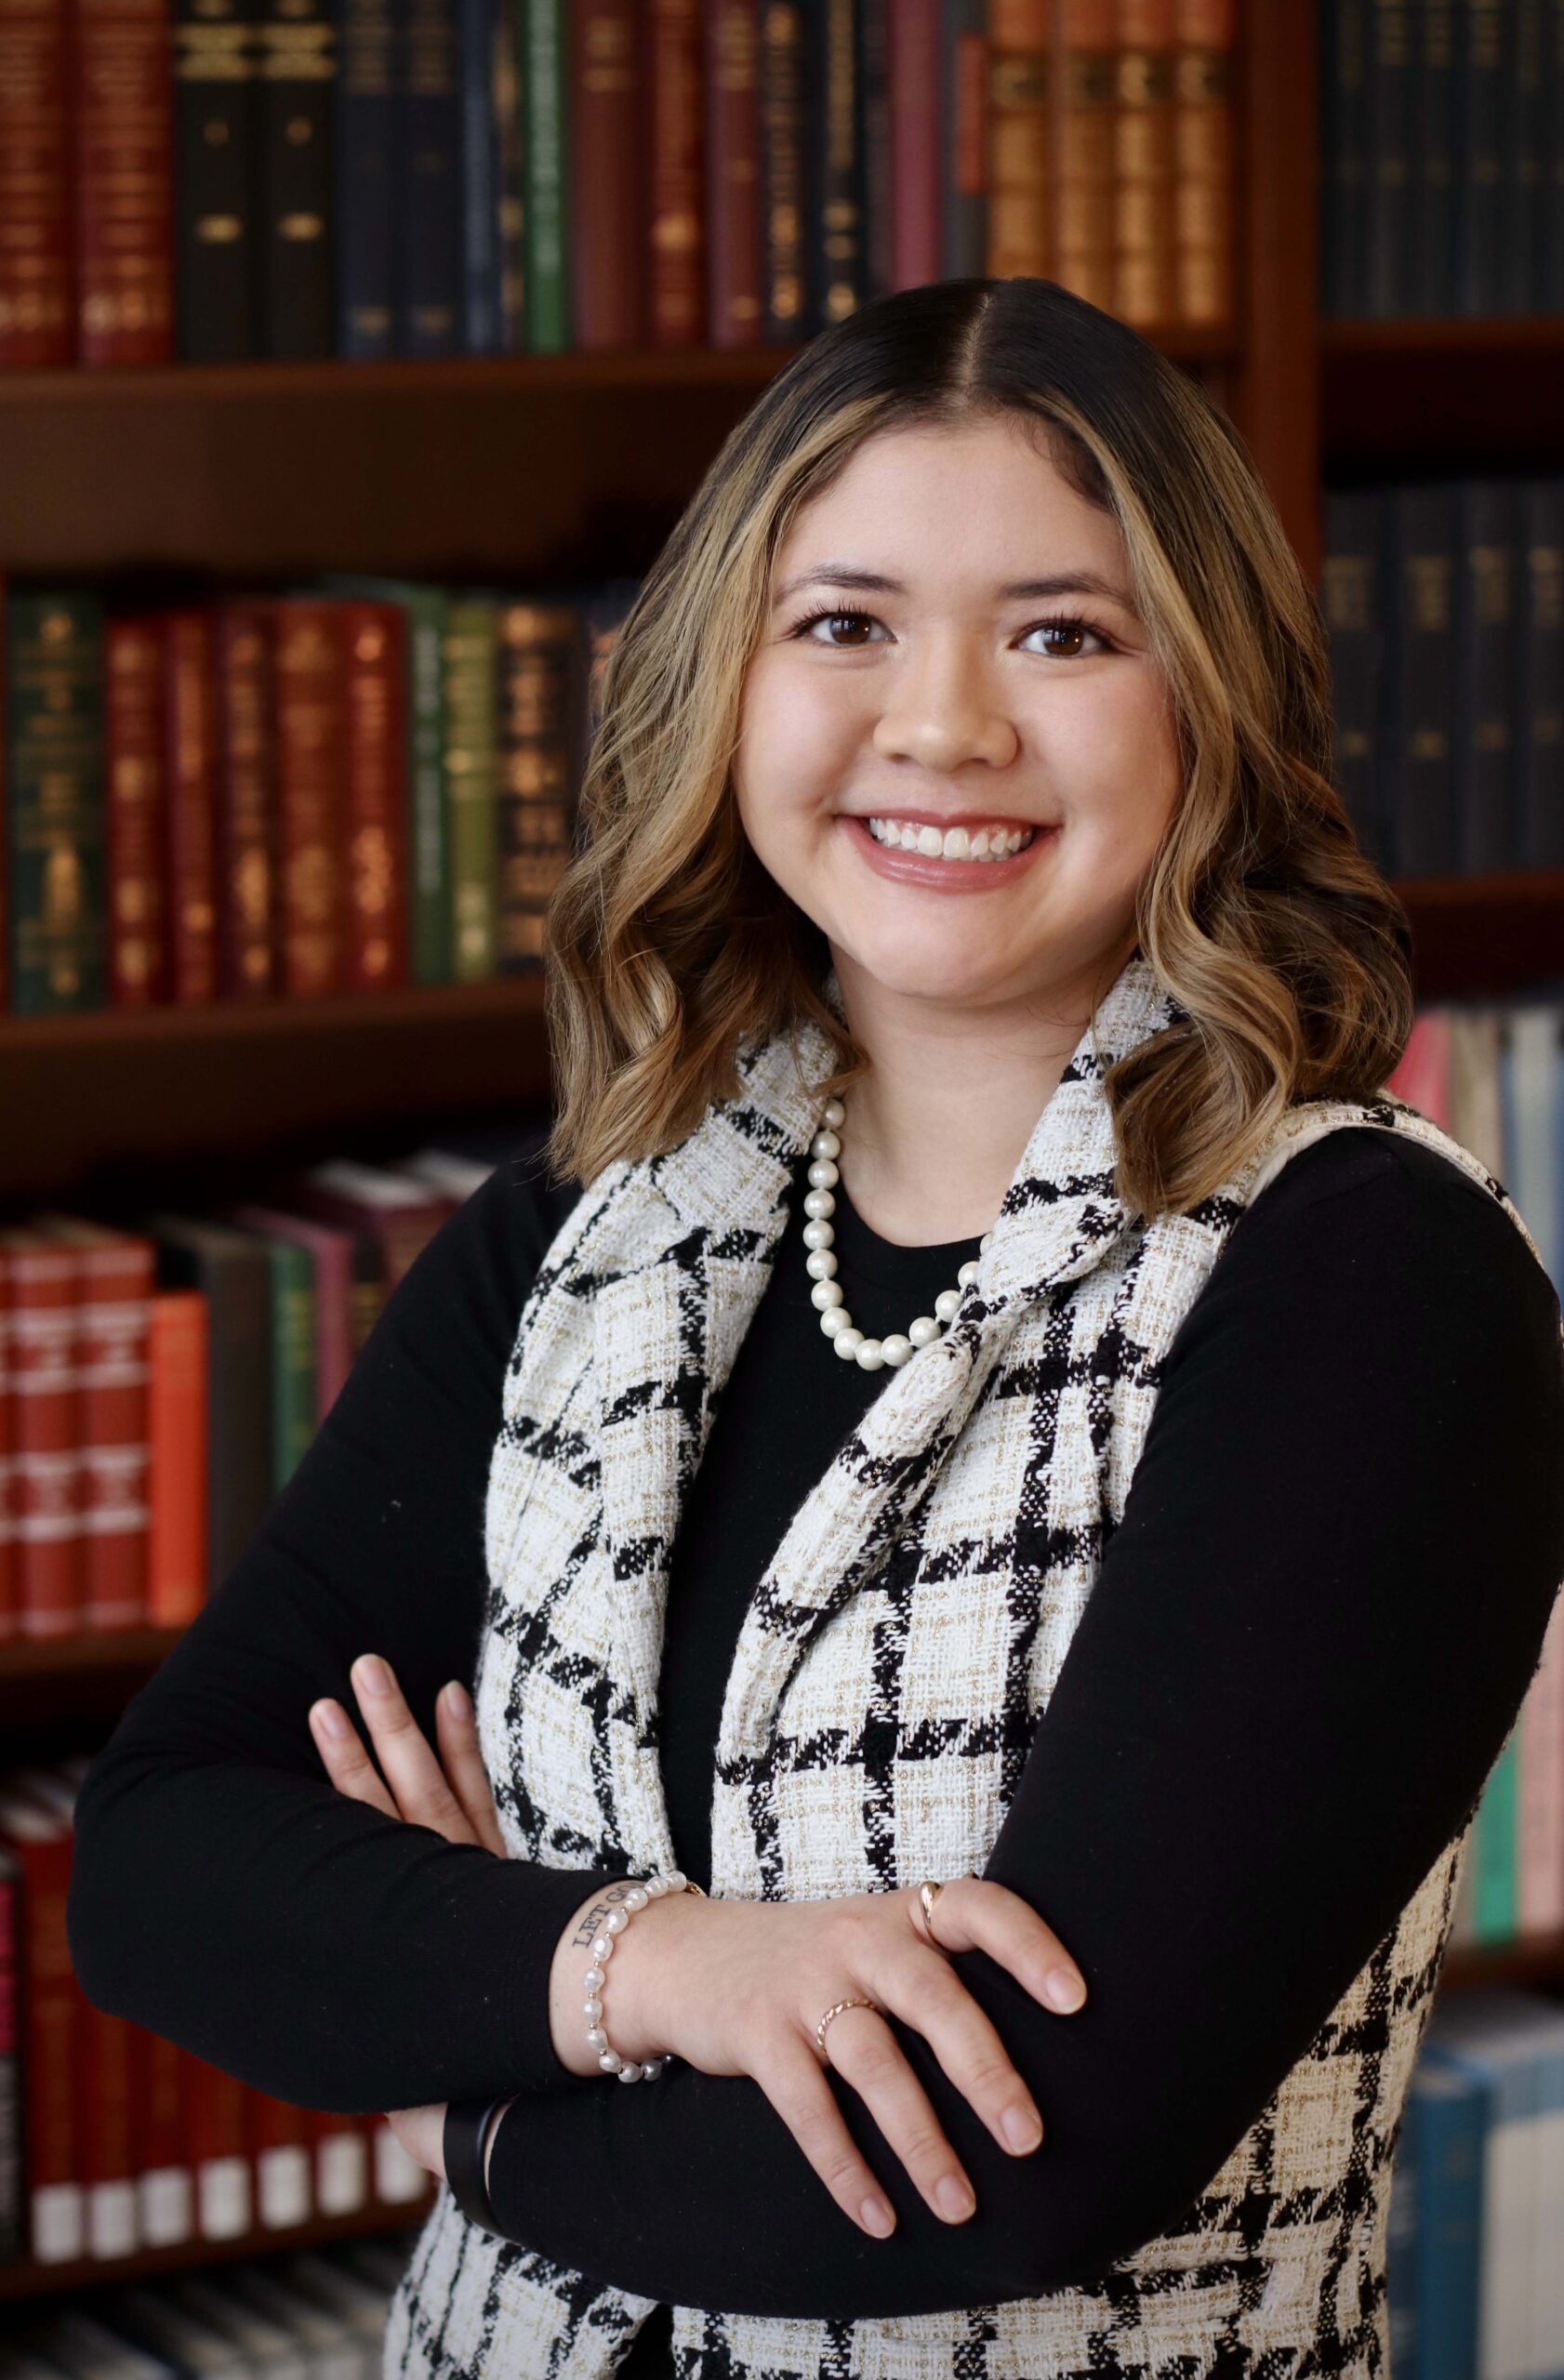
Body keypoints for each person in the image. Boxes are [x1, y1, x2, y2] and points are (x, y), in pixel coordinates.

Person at [67, 276, 1564, 2380]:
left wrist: (465, 2054)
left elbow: (1017, 2153)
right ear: (725, 688)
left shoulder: (1363, 1282)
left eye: (1062, 630)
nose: (940, 724)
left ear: (1205, 702)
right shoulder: (578, 1238)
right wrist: (664, 1968)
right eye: (842, 620)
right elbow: (155, 1870)